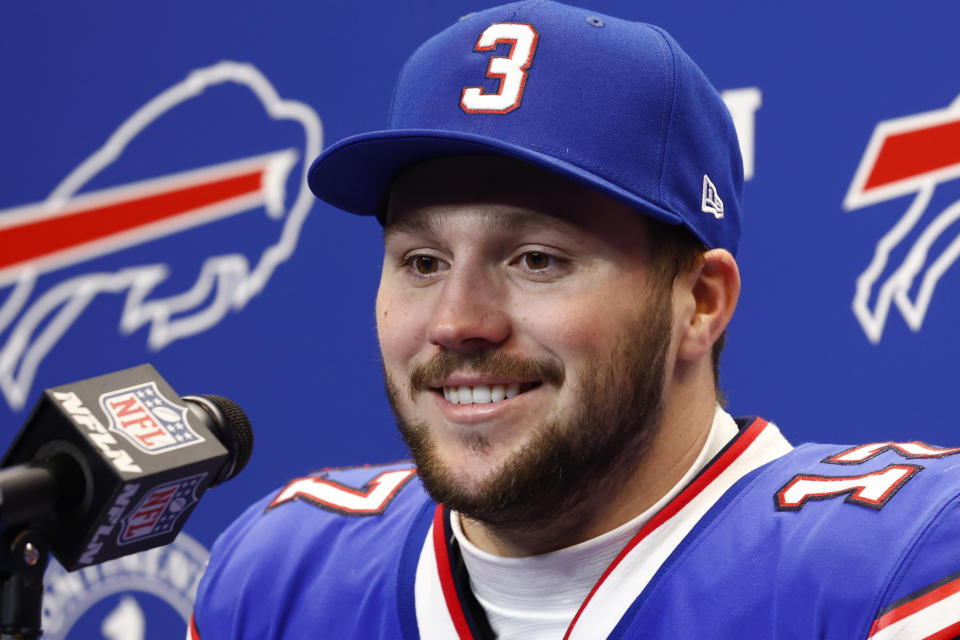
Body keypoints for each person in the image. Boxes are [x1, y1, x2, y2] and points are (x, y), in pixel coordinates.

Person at [189, 2, 960, 638]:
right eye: (423, 262)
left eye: (536, 259)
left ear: (699, 304)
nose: (458, 322)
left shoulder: (899, 565)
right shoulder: (279, 576)